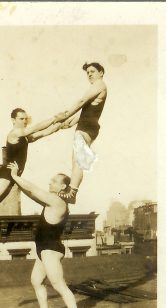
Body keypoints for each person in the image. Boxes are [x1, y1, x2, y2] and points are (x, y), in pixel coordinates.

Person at [0, 108, 70, 247]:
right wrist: (56, 117)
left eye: (25, 119)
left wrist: (61, 124)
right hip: (7, 173)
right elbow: (36, 127)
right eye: (21, 119)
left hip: (13, 175)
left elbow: (43, 132)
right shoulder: (15, 133)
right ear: (13, 120)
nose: (24, 121)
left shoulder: (24, 137)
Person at [7, 160, 84, 308]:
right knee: (36, 280)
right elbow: (32, 194)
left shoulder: (58, 202)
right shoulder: (51, 200)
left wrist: (14, 176)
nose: (50, 182)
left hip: (51, 249)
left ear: (64, 187)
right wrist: (17, 182)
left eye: (54, 181)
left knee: (58, 284)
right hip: (44, 249)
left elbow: (33, 190)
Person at [54, 62, 107, 204]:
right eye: (87, 72)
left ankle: (72, 192)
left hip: (87, 127)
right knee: (76, 160)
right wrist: (70, 122)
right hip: (87, 125)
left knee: (77, 160)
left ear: (101, 72)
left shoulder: (99, 84)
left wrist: (65, 115)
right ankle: (72, 191)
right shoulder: (96, 87)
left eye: (93, 71)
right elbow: (87, 111)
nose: (89, 74)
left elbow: (82, 101)